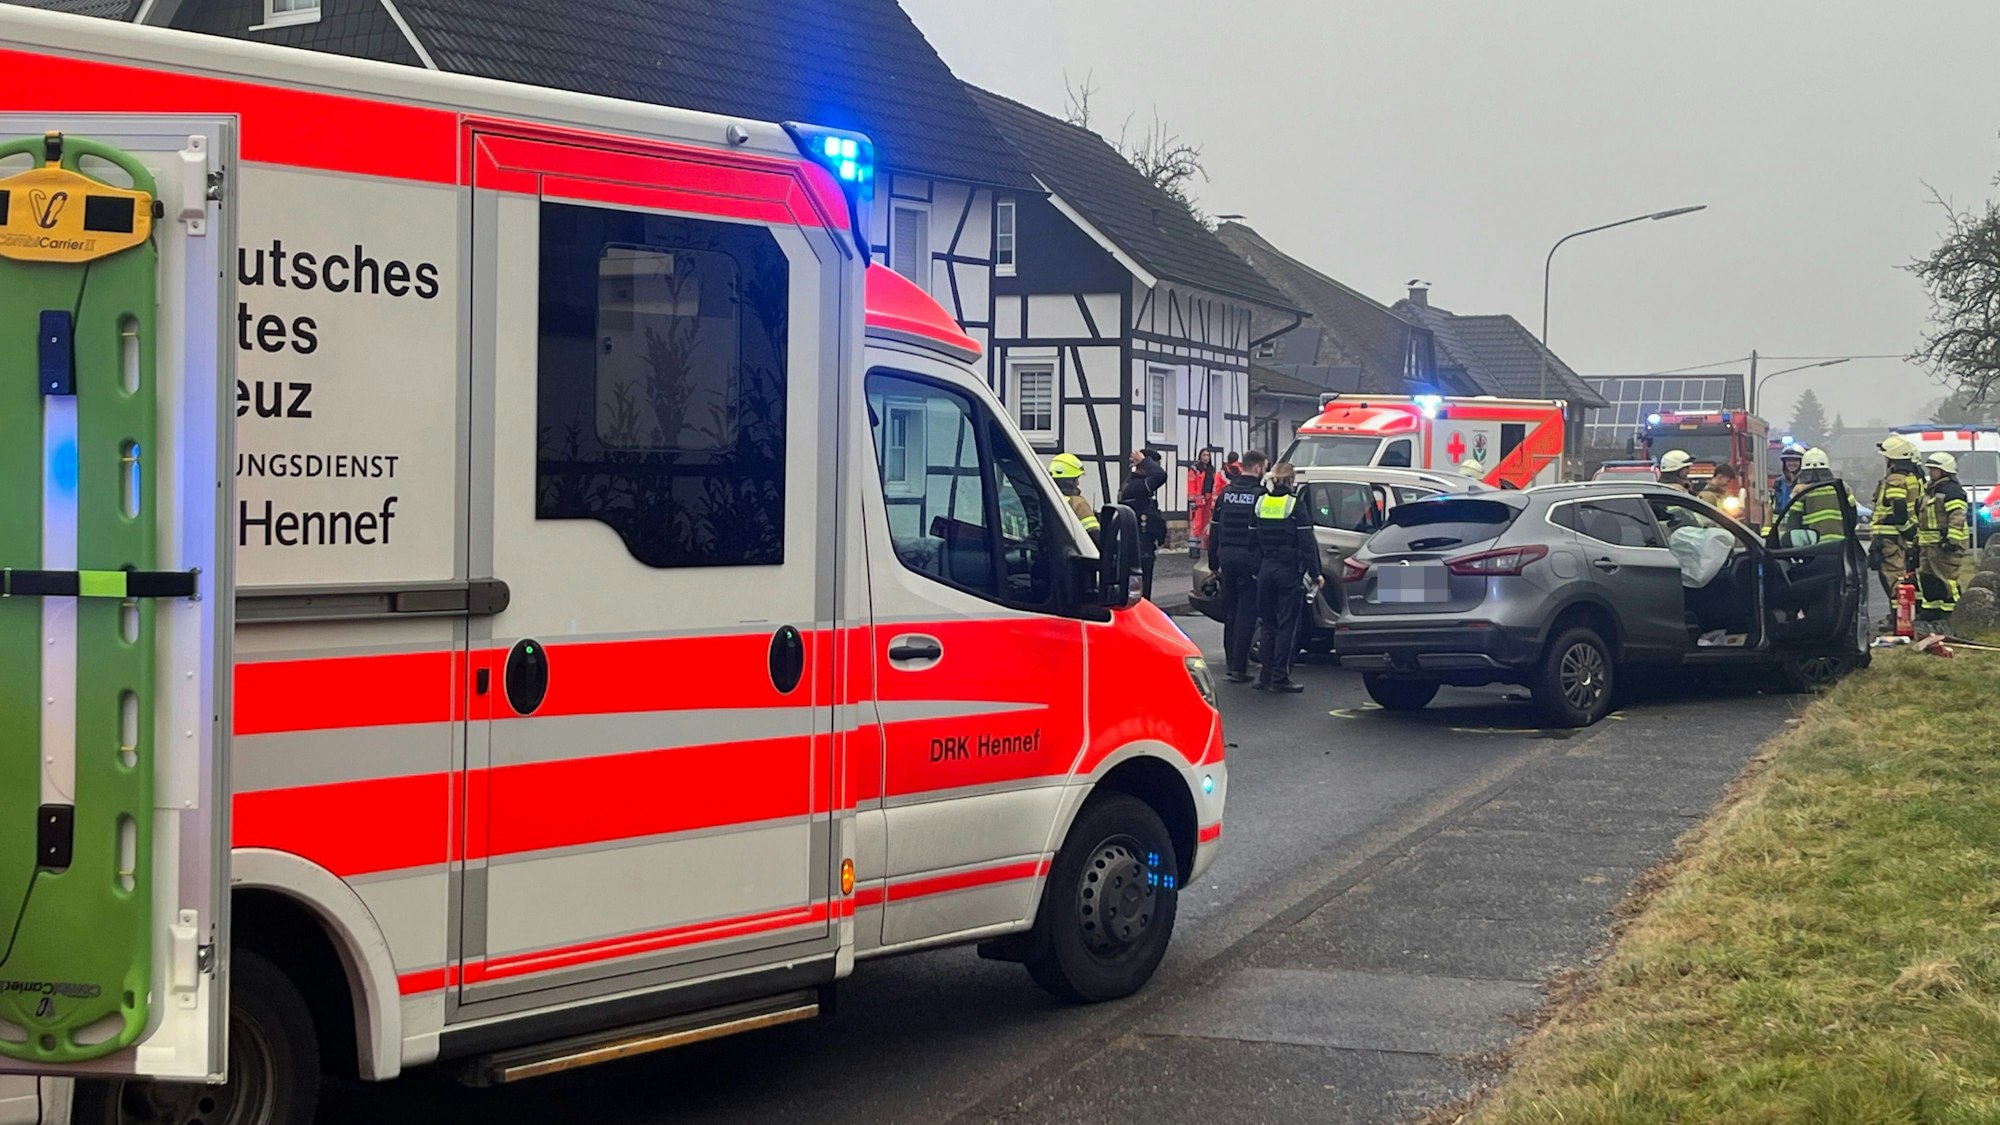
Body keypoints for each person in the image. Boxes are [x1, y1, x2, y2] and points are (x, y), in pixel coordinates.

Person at [1250, 462, 1322, 694]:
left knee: (1267, 624)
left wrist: (1257, 569)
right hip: (1287, 571)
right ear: (1291, 481)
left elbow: (1252, 541)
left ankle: (1265, 675)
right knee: (1286, 625)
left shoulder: (1261, 502)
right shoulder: (1294, 505)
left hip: (1266, 570)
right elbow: (1307, 543)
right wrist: (1316, 573)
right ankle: (1280, 677)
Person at [1208, 450, 1268, 683]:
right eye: (1264, 467)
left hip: (1226, 558)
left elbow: (1215, 531)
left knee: (1230, 610)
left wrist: (1214, 563)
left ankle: (1231, 662)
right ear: (1257, 468)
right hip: (1248, 559)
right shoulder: (1260, 496)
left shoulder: (1226, 494)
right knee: (1246, 612)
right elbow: (1261, 532)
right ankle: (1240, 667)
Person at [1914, 451, 1972, 633]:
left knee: (1947, 580)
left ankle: (1953, 614)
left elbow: (1957, 517)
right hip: (1929, 546)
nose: (1930, 472)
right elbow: (1923, 518)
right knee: (1928, 578)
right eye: (1930, 469)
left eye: (1934, 469)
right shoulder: (1930, 490)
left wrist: (1951, 541)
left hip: (1945, 546)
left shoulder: (1952, 491)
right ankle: (1932, 612)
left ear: (1945, 471)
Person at [1870, 434, 1923, 603]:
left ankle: (1899, 621)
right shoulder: (1912, 478)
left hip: (1891, 536)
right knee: (1904, 577)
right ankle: (1904, 617)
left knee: (1894, 580)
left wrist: (1905, 529)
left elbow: (1899, 510)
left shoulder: (1896, 480)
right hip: (1901, 535)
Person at [1120, 448, 1167, 600]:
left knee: (1143, 592)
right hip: (1138, 548)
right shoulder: (1135, 487)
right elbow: (1160, 475)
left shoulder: (1135, 483)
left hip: (1144, 546)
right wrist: (1144, 461)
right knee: (1139, 595)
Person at [1778, 449, 1847, 544]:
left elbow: (1793, 522)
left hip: (1814, 548)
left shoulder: (1801, 492)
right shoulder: (1842, 488)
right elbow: (1852, 516)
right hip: (1841, 545)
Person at [1047, 452, 1100, 545]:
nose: (1078, 484)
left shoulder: (1047, 500)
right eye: (1076, 479)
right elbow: (1095, 536)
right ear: (1069, 481)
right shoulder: (1078, 504)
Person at [1186, 449, 1223, 558]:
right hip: (1198, 500)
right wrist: (1192, 500)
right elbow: (1191, 485)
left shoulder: (1211, 469)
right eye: (1204, 455)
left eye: (1208, 455)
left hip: (1208, 498)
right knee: (1196, 524)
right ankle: (1194, 549)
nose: (1206, 457)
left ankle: (1204, 546)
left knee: (1207, 523)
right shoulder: (1195, 469)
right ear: (1200, 456)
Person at [1773, 443, 1805, 513]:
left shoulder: (1806, 483)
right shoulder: (1779, 483)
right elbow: (1776, 508)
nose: (1791, 463)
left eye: (1795, 460)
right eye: (1788, 460)